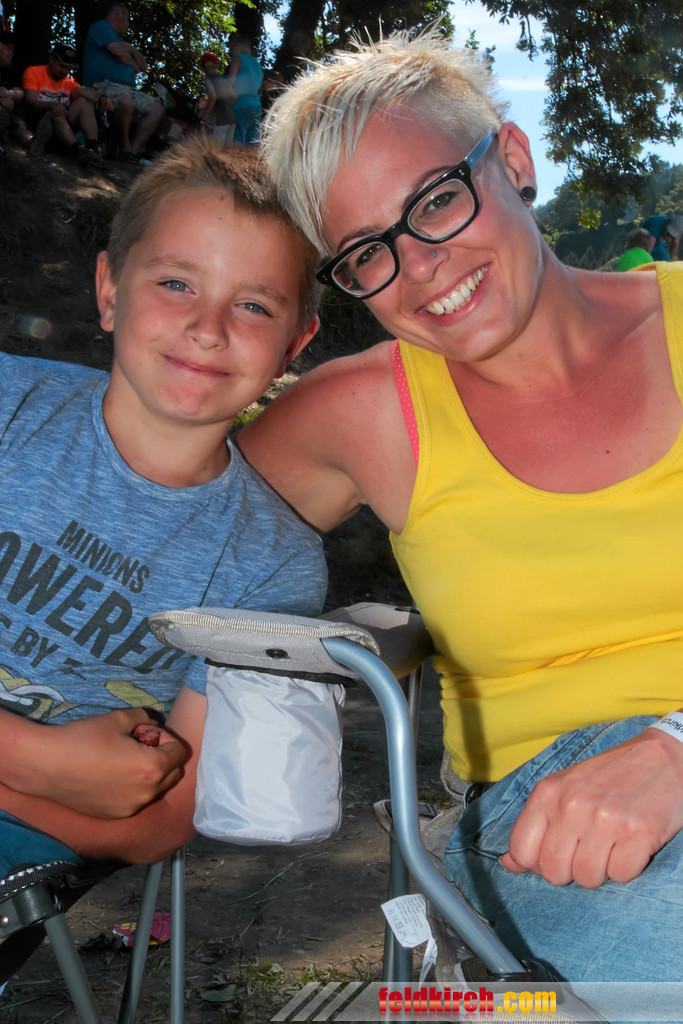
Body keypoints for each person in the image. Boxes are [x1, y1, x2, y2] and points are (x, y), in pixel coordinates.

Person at [238, 29, 683, 982]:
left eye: (436, 199)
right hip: (546, 831)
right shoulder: (365, 415)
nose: (421, 268)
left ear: (512, 160)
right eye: (366, 252)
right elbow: (158, 524)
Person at [0, 135, 324, 883]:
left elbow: (160, 826)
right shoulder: (10, 405)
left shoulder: (272, 567)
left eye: (252, 305)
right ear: (110, 290)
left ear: (293, 345)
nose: (208, 328)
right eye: (177, 283)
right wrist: (35, 760)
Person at [82, 2, 164, 162]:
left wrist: (132, 49)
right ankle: (125, 147)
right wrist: (132, 63)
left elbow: (143, 66)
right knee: (125, 101)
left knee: (157, 108)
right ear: (119, 14)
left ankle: (133, 152)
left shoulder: (121, 41)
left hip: (128, 89)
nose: (128, 24)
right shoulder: (101, 26)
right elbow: (118, 52)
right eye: (128, 18)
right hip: (102, 86)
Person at [22, 42, 113, 164]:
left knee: (84, 101)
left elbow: (84, 91)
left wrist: (102, 98)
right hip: (39, 123)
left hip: (63, 128)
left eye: (68, 68)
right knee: (55, 113)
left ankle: (93, 147)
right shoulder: (33, 72)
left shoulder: (68, 83)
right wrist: (52, 105)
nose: (64, 71)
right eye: (62, 66)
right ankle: (78, 150)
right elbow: (31, 101)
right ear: (51, 58)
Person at [227, 35, 262, 145]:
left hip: (241, 104)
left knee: (237, 143)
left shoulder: (237, 59)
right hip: (257, 106)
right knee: (251, 144)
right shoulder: (258, 65)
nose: (232, 52)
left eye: (232, 49)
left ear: (238, 46)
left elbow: (230, 83)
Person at [0, 28, 31, 150]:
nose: (12, 53)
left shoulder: (10, 71)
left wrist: (8, 93)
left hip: (9, 115)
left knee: (19, 124)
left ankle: (31, 141)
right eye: (8, 48)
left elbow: (20, 93)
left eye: (13, 50)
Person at [199, 50, 235, 145]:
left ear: (203, 68)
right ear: (217, 65)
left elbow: (213, 96)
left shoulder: (208, 79)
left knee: (216, 150)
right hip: (232, 119)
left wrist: (205, 114)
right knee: (227, 150)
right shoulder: (223, 80)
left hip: (220, 120)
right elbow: (234, 96)